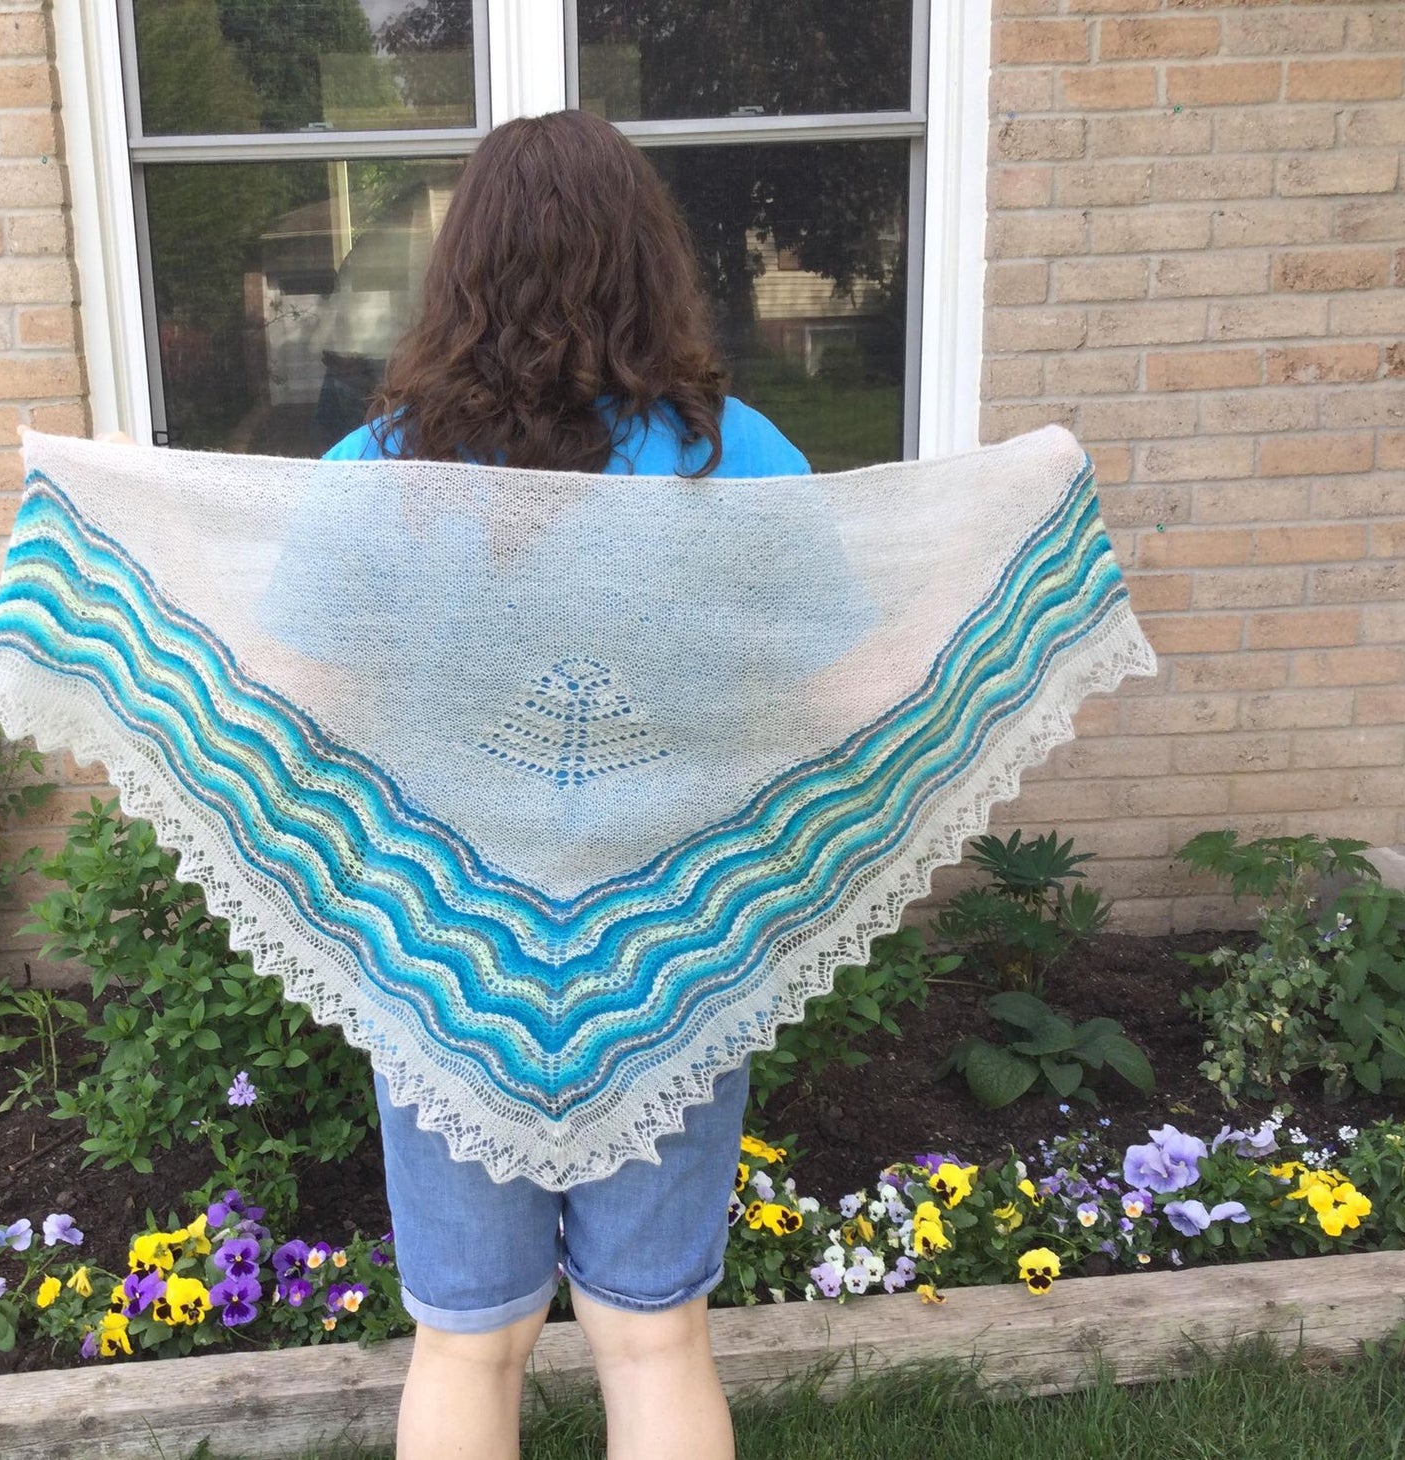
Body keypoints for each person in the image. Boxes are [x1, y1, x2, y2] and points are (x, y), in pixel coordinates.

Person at [321, 108, 811, 1460]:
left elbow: (294, 683)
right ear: (647, 260)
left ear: (462, 268)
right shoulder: (735, 457)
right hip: (672, 943)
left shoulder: (381, 473)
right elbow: (833, 674)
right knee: (654, 1336)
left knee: (466, 1340)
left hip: (444, 947)